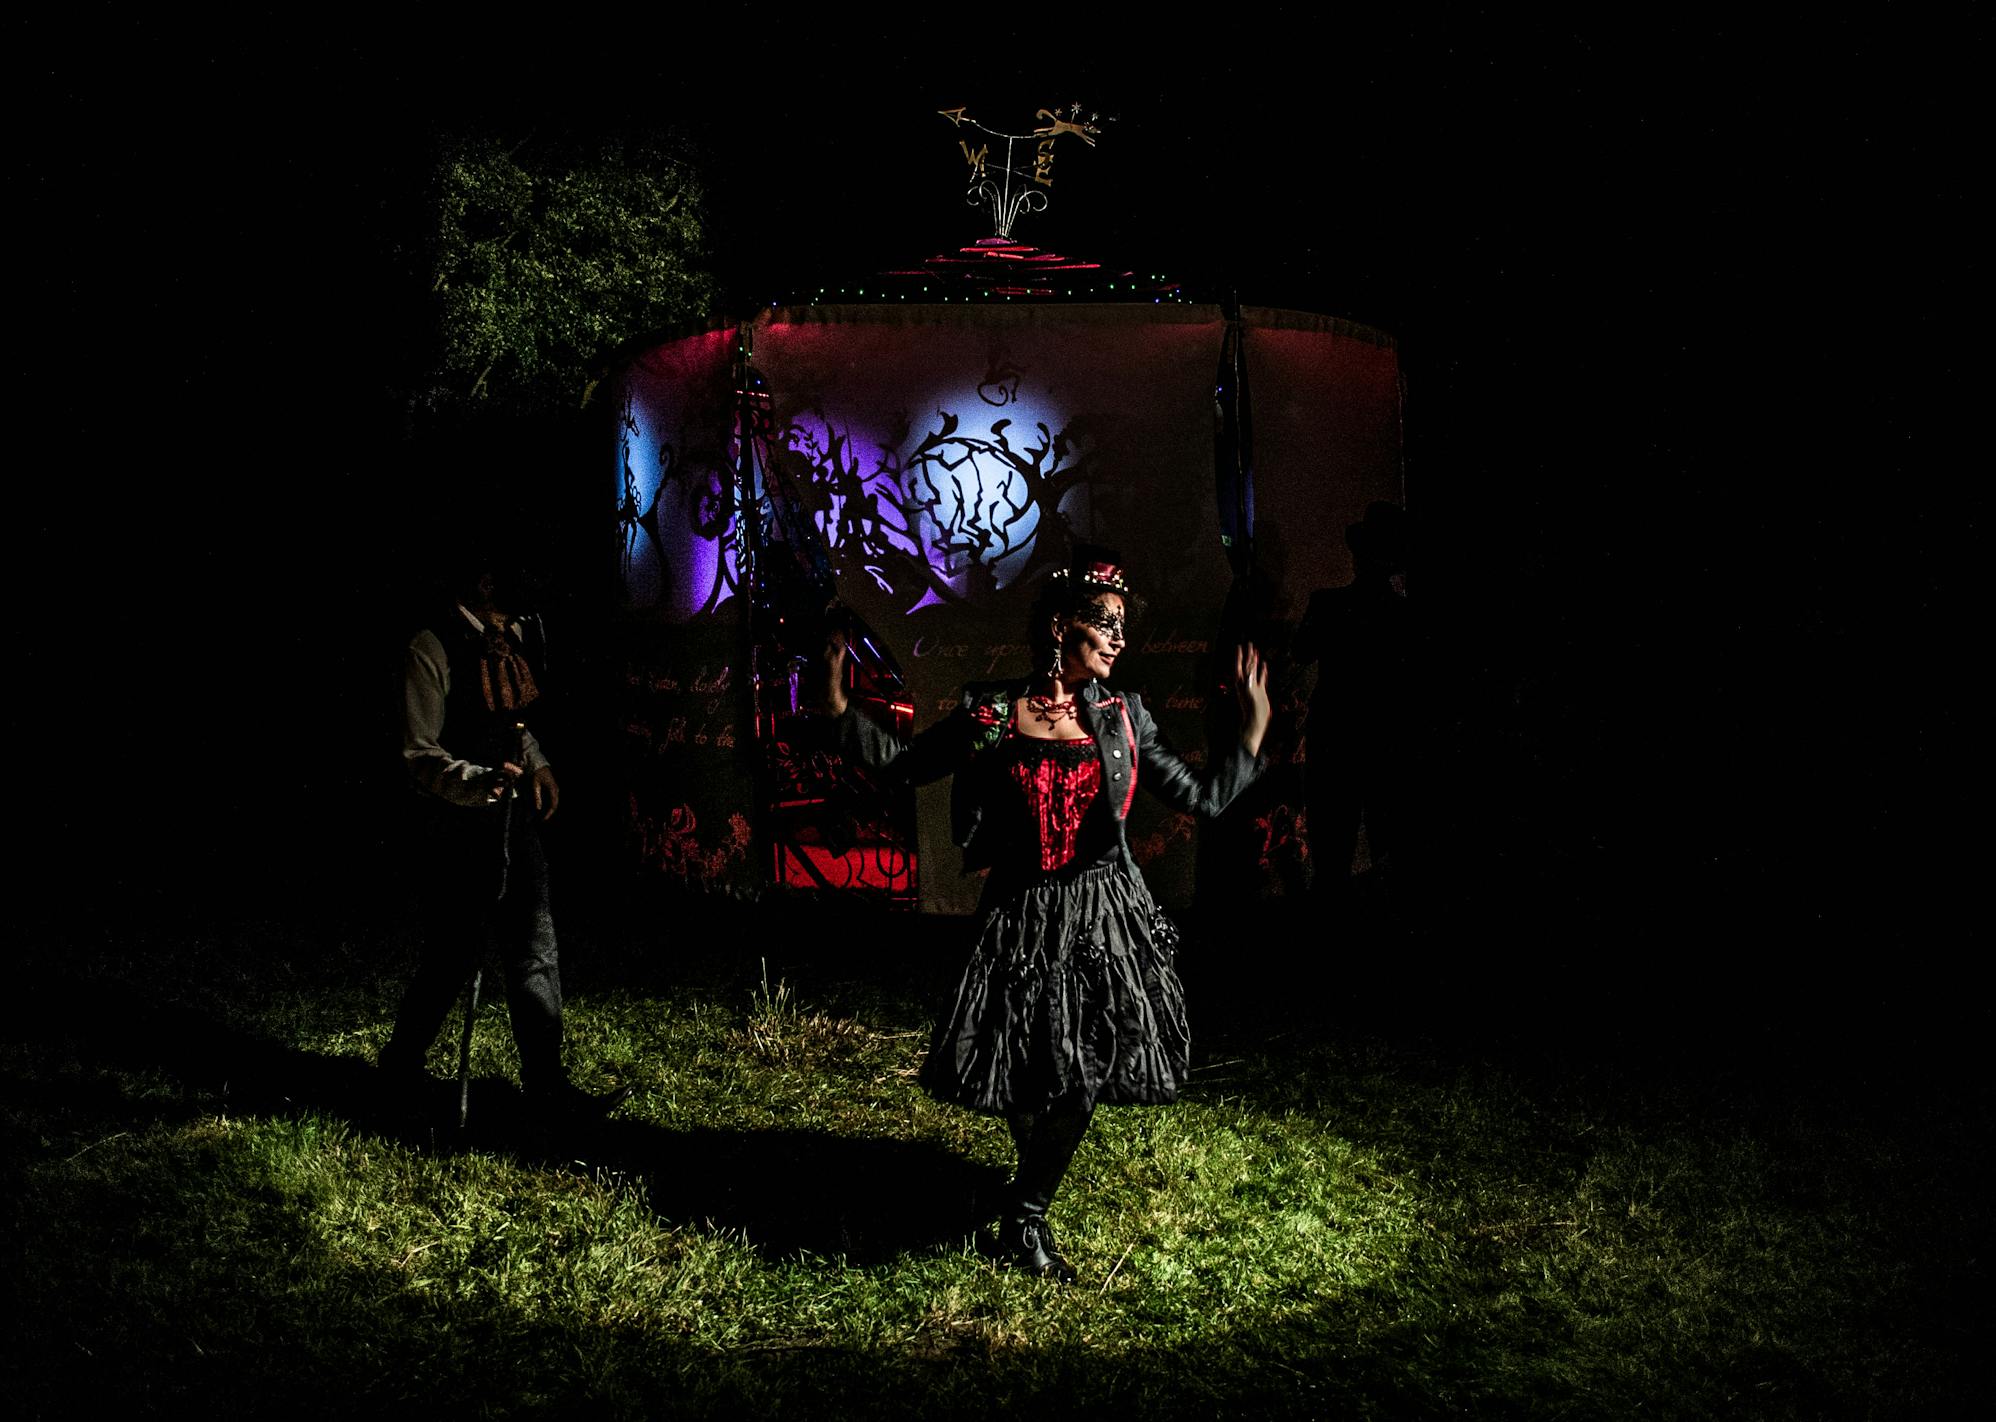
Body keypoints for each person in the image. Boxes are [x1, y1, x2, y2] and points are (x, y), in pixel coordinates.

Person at [813, 550, 1271, 1281]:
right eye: (1106, 625)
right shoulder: (994, 713)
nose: (1119, 641)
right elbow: (908, 766)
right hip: (1022, 913)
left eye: (1123, 629)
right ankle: (1030, 1191)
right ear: (1063, 627)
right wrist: (840, 712)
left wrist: (1252, 733)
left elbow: (1201, 798)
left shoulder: (1124, 717)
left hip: (1101, 911)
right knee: (1031, 1072)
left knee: (1083, 1067)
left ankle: (1024, 1218)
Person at [378, 554, 627, 1121]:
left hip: (515, 821)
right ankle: (400, 1065)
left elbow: (513, 721)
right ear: (486, 582)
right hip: (456, 824)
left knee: (536, 950)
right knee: (452, 955)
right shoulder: (433, 645)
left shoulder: (514, 637)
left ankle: (546, 1086)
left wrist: (535, 761)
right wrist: (479, 782)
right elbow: (418, 752)